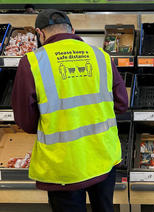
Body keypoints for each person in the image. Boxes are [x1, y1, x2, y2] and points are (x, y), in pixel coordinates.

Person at [11, 9, 128, 212]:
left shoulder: (32, 62)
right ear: (73, 30)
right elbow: (121, 104)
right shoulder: (101, 56)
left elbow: (26, 121)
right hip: (102, 157)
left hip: (63, 166)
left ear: (40, 33)